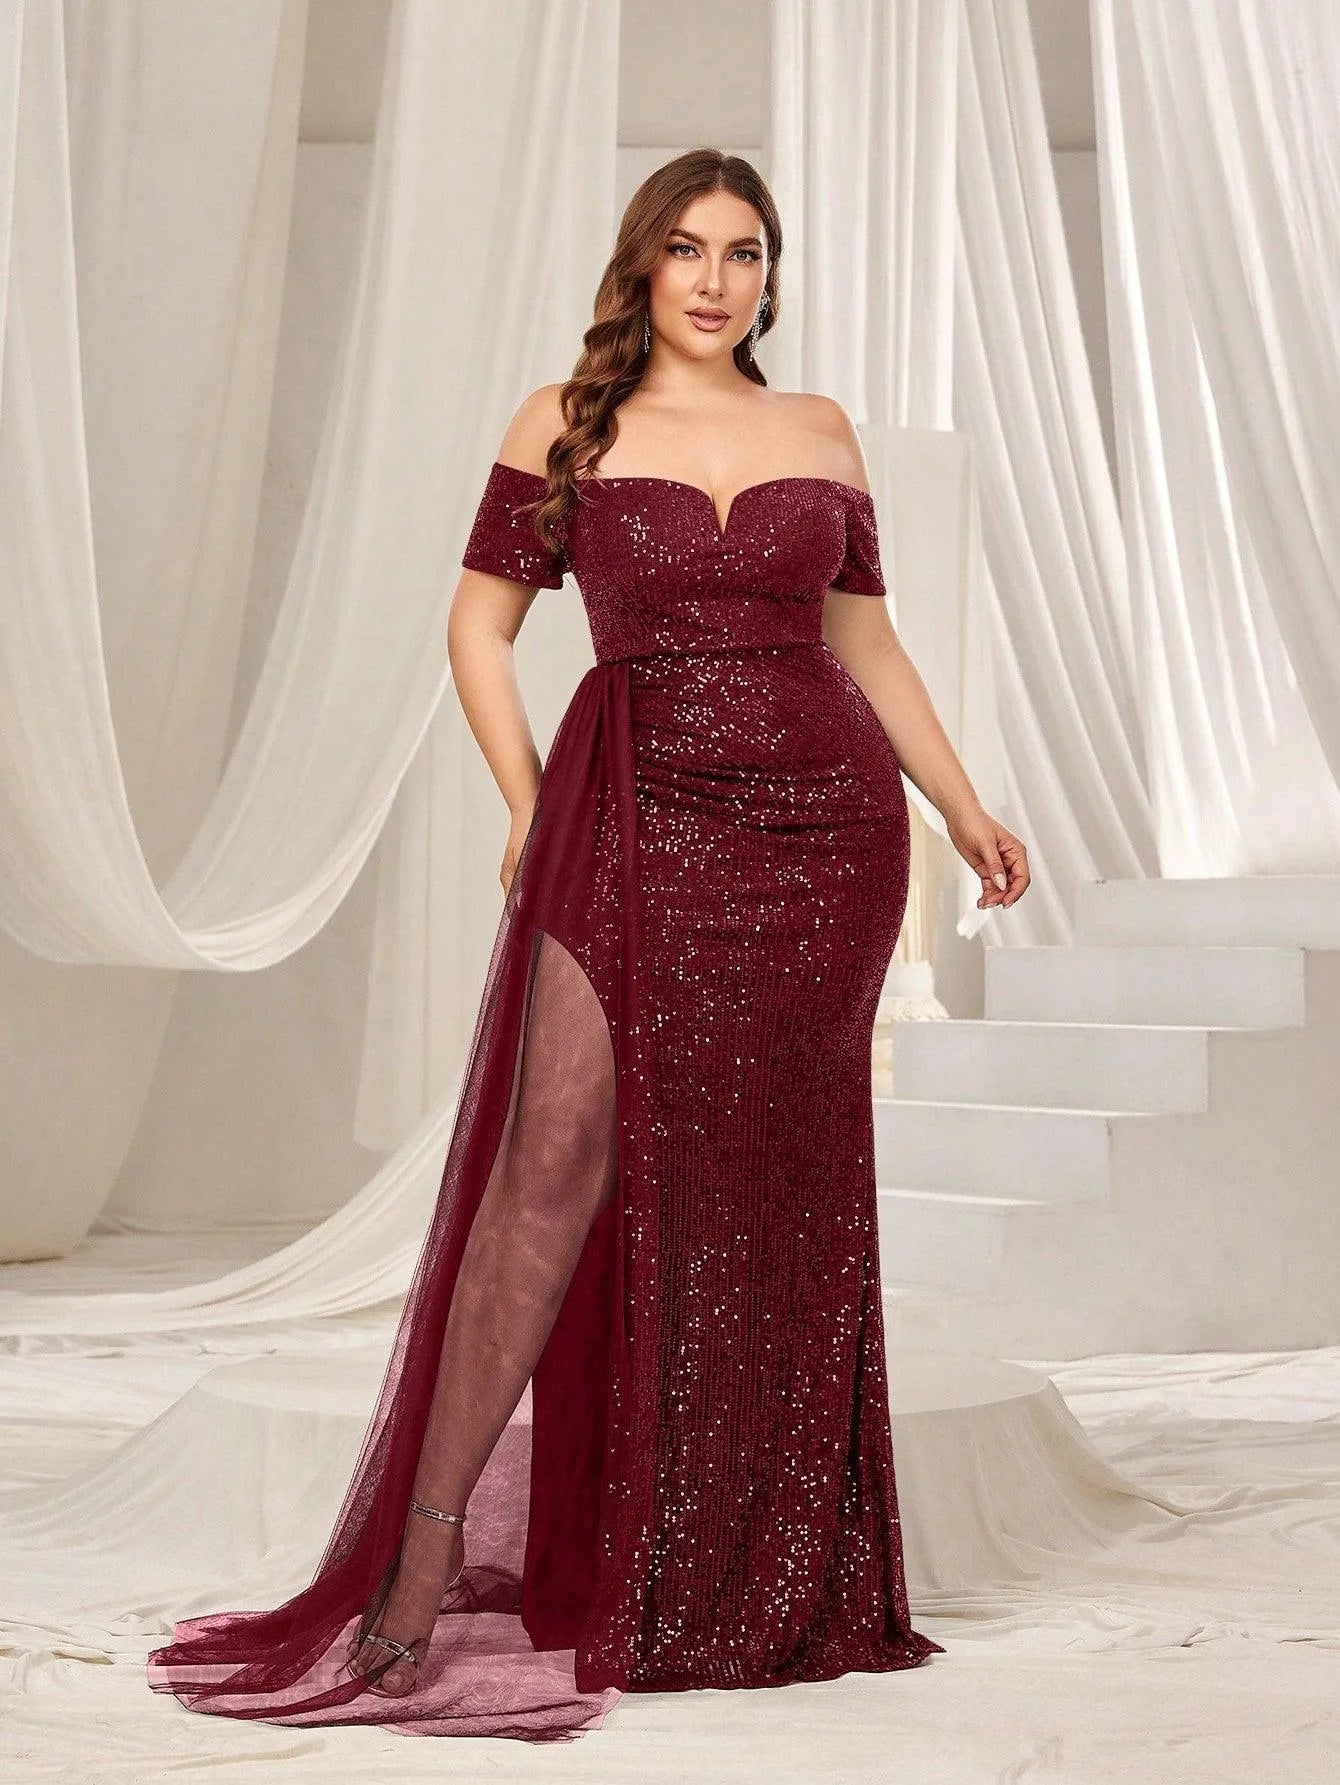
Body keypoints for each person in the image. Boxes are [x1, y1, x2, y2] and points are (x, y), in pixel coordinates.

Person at [147, 146, 1028, 1744]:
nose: (716, 279)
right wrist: (526, 799)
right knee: (548, 1165)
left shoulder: (820, 431)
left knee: (775, 1186)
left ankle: (739, 1572)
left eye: (744, 252)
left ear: (771, 276)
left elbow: (867, 643)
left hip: (823, 836)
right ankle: (420, 1564)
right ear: (642, 263)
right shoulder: (564, 419)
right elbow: (479, 627)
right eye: (687, 248)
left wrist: (964, 808)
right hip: (630, 813)